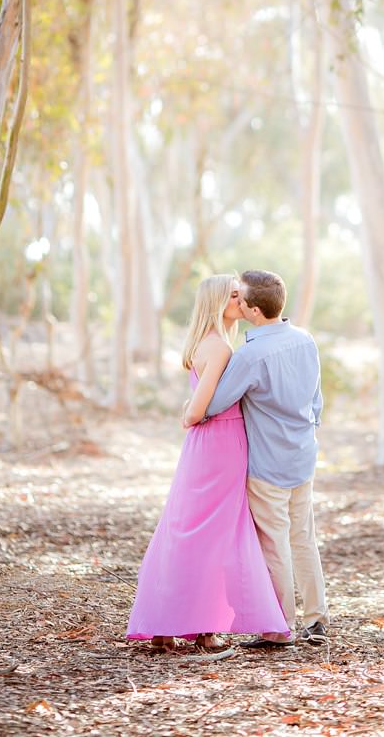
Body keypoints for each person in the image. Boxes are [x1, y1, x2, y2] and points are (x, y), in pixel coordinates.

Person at [126, 274, 289, 650]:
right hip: (220, 445)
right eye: (234, 295)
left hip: (209, 447)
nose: (241, 299)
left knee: (189, 531)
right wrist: (188, 411)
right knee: (211, 537)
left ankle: (173, 627)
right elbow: (197, 410)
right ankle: (199, 628)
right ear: (219, 303)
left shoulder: (210, 343)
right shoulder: (220, 348)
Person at [190, 269, 329, 649]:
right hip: (303, 455)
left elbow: (213, 406)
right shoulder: (305, 340)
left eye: (240, 297)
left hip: (268, 464)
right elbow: (317, 399)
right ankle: (316, 619)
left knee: (274, 544)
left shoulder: (250, 355)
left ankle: (278, 626)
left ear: (252, 310)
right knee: (303, 537)